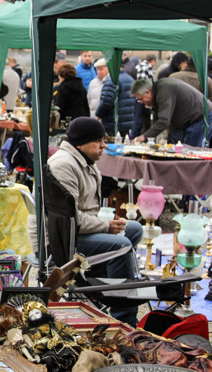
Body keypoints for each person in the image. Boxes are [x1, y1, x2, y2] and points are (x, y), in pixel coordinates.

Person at [47, 117, 143, 326]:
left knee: (134, 228)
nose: (104, 146)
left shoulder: (85, 161)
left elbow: (85, 211)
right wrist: (106, 226)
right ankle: (124, 317)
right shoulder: (63, 165)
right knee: (122, 246)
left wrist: (107, 221)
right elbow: (70, 220)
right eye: (98, 141)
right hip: (62, 241)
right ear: (80, 144)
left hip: (79, 232)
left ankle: (106, 278)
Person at [131, 78, 212, 146]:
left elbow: (164, 121)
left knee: (191, 151)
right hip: (185, 120)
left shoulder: (164, 91)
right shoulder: (159, 90)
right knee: (176, 148)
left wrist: (144, 137)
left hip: (200, 116)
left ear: (148, 92)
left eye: (141, 98)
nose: (141, 102)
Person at [95, 63, 136, 137]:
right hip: (128, 122)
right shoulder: (131, 79)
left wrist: (98, 113)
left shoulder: (112, 81)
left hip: (113, 123)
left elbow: (106, 101)